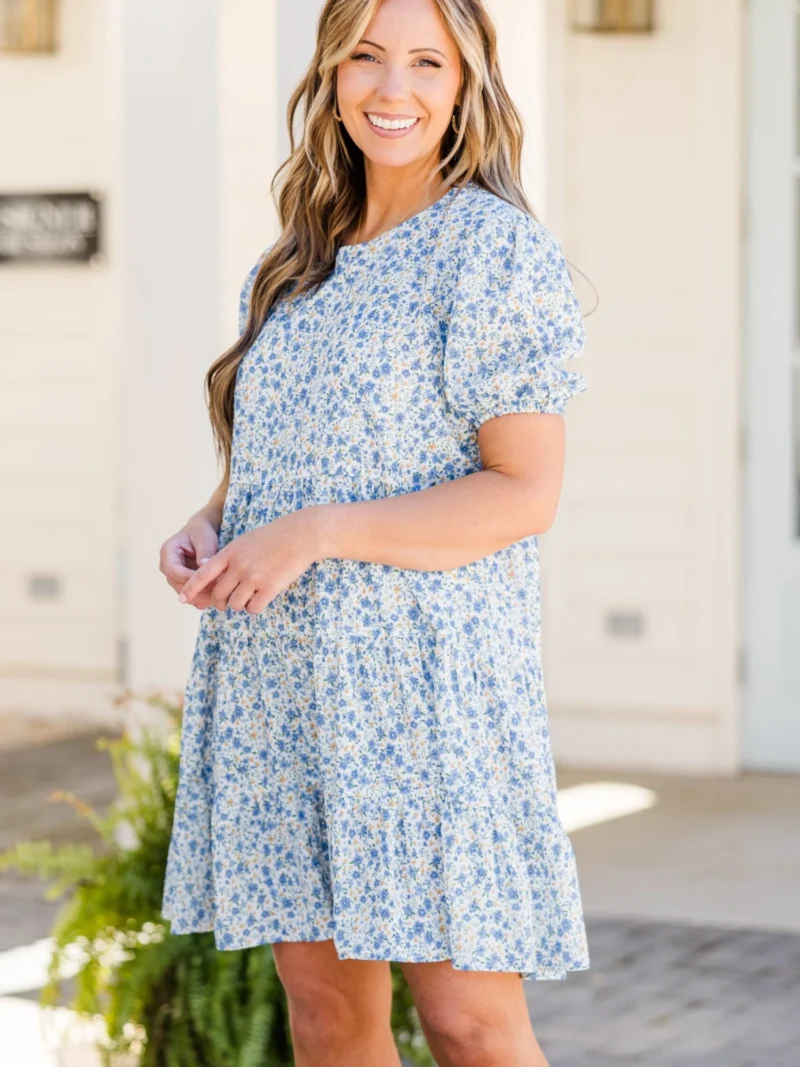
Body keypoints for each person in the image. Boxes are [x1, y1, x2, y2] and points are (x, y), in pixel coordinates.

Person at [159, 0, 590, 1063]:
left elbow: (523, 492)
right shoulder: (295, 261)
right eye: (366, 57)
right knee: (325, 1016)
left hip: (422, 698)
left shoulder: (491, 252)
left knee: (468, 1024)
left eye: (425, 62)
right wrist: (212, 521)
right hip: (281, 686)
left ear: (465, 84)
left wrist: (314, 531)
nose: (392, 88)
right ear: (331, 74)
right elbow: (282, 458)